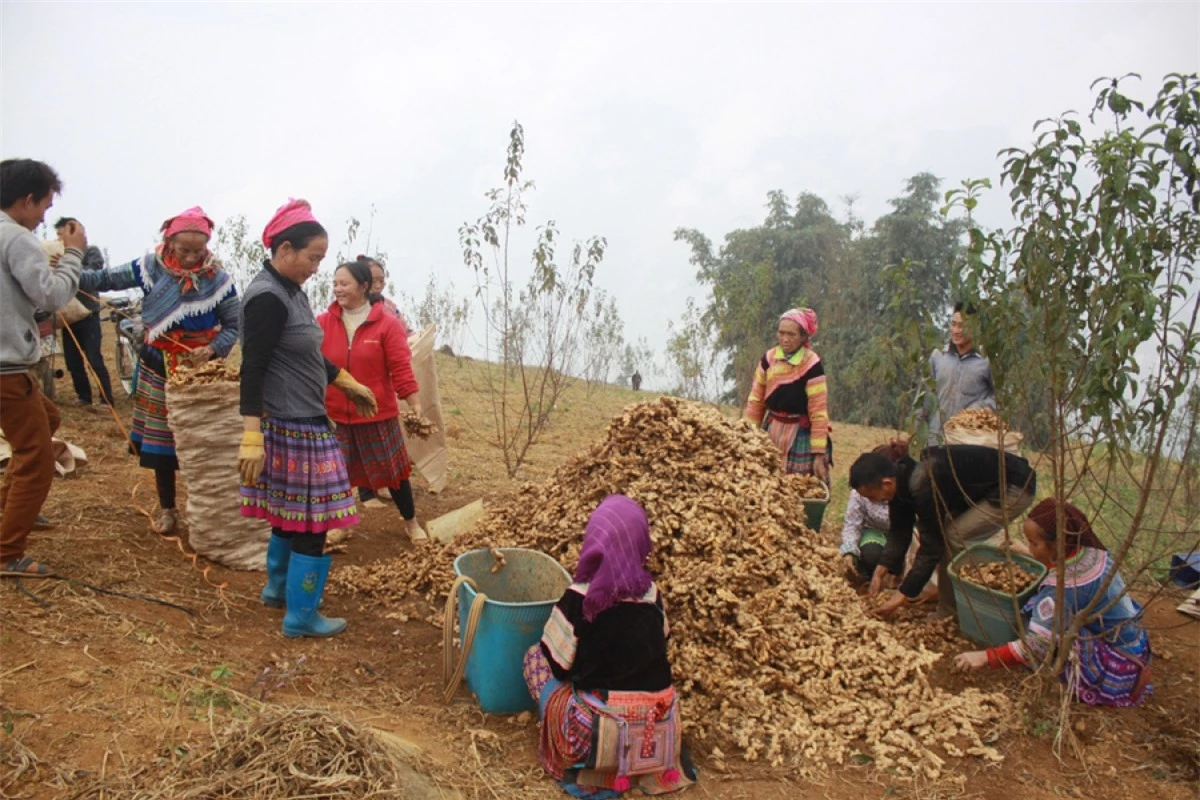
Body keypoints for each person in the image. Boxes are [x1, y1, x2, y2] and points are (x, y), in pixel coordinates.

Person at [238, 199, 378, 639]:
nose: (317, 268)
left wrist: (343, 380)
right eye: (313, 257)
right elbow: (253, 367)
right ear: (284, 249)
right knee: (313, 523)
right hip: (292, 424)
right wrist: (251, 436)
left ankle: (278, 591)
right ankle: (301, 615)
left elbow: (304, 353)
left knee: (289, 517)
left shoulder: (289, 290)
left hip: (303, 418)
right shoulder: (266, 298)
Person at [78, 206, 240, 535]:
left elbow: (234, 325)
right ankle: (168, 508)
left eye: (199, 250)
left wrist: (210, 350)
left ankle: (207, 509)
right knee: (162, 442)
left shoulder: (219, 281)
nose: (193, 258)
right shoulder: (149, 267)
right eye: (185, 250)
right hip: (158, 364)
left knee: (204, 442)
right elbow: (104, 279)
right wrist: (65, 273)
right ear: (169, 241)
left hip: (203, 372)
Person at [522, 495, 696, 797]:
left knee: (534, 659)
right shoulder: (652, 595)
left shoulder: (580, 597)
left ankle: (592, 765)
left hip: (599, 733)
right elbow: (661, 642)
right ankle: (647, 767)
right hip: (655, 729)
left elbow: (558, 665)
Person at [954, 499, 1152, 707]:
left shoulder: (1062, 590)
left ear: (1057, 544)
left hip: (1118, 666)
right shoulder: (1090, 550)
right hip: (1134, 645)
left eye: (1034, 543)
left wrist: (985, 657)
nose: (1030, 548)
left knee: (1045, 628)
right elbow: (1063, 565)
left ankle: (1074, 684)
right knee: (1047, 615)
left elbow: (1037, 646)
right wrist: (1030, 551)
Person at [0, 159, 85, 576]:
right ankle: (7, 551)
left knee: (46, 419)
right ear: (28, 199)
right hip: (6, 370)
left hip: (9, 369)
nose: (43, 218)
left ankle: (12, 510)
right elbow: (50, 297)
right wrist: (73, 255)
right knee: (35, 457)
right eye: (44, 207)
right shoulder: (16, 239)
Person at [849, 443, 1036, 617]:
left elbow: (932, 546)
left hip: (1014, 486)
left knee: (954, 537)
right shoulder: (901, 481)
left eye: (872, 496)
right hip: (986, 490)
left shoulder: (924, 483)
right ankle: (951, 599)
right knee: (949, 535)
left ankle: (951, 611)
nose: (873, 502)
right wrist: (880, 571)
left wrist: (903, 594)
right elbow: (899, 532)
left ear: (887, 483)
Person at [318, 260, 427, 542]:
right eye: (335, 283)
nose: (337, 289)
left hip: (376, 413)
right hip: (335, 414)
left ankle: (411, 522)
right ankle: (342, 523)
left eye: (344, 284)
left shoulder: (387, 325)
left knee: (395, 472)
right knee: (335, 474)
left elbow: (400, 368)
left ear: (364, 286)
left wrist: (413, 401)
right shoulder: (322, 323)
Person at [744, 307, 829, 482]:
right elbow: (756, 400)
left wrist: (819, 453)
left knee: (800, 485)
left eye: (791, 334)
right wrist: (748, 434)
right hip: (772, 430)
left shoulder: (811, 364)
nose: (785, 339)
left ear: (804, 337)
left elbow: (818, 410)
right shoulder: (769, 359)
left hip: (800, 433)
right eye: (781, 333)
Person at [53, 217, 115, 409]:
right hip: (68, 315)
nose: (59, 238)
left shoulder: (90, 252)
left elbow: (93, 273)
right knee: (72, 361)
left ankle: (106, 400)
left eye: (62, 233)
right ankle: (84, 397)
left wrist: (69, 265)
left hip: (88, 313)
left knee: (94, 358)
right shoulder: (58, 255)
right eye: (58, 235)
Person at [926, 302, 996, 443]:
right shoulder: (938, 356)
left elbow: (999, 400)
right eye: (953, 324)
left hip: (969, 442)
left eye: (962, 326)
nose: (956, 330)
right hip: (936, 439)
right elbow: (925, 398)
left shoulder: (987, 361)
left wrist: (977, 410)